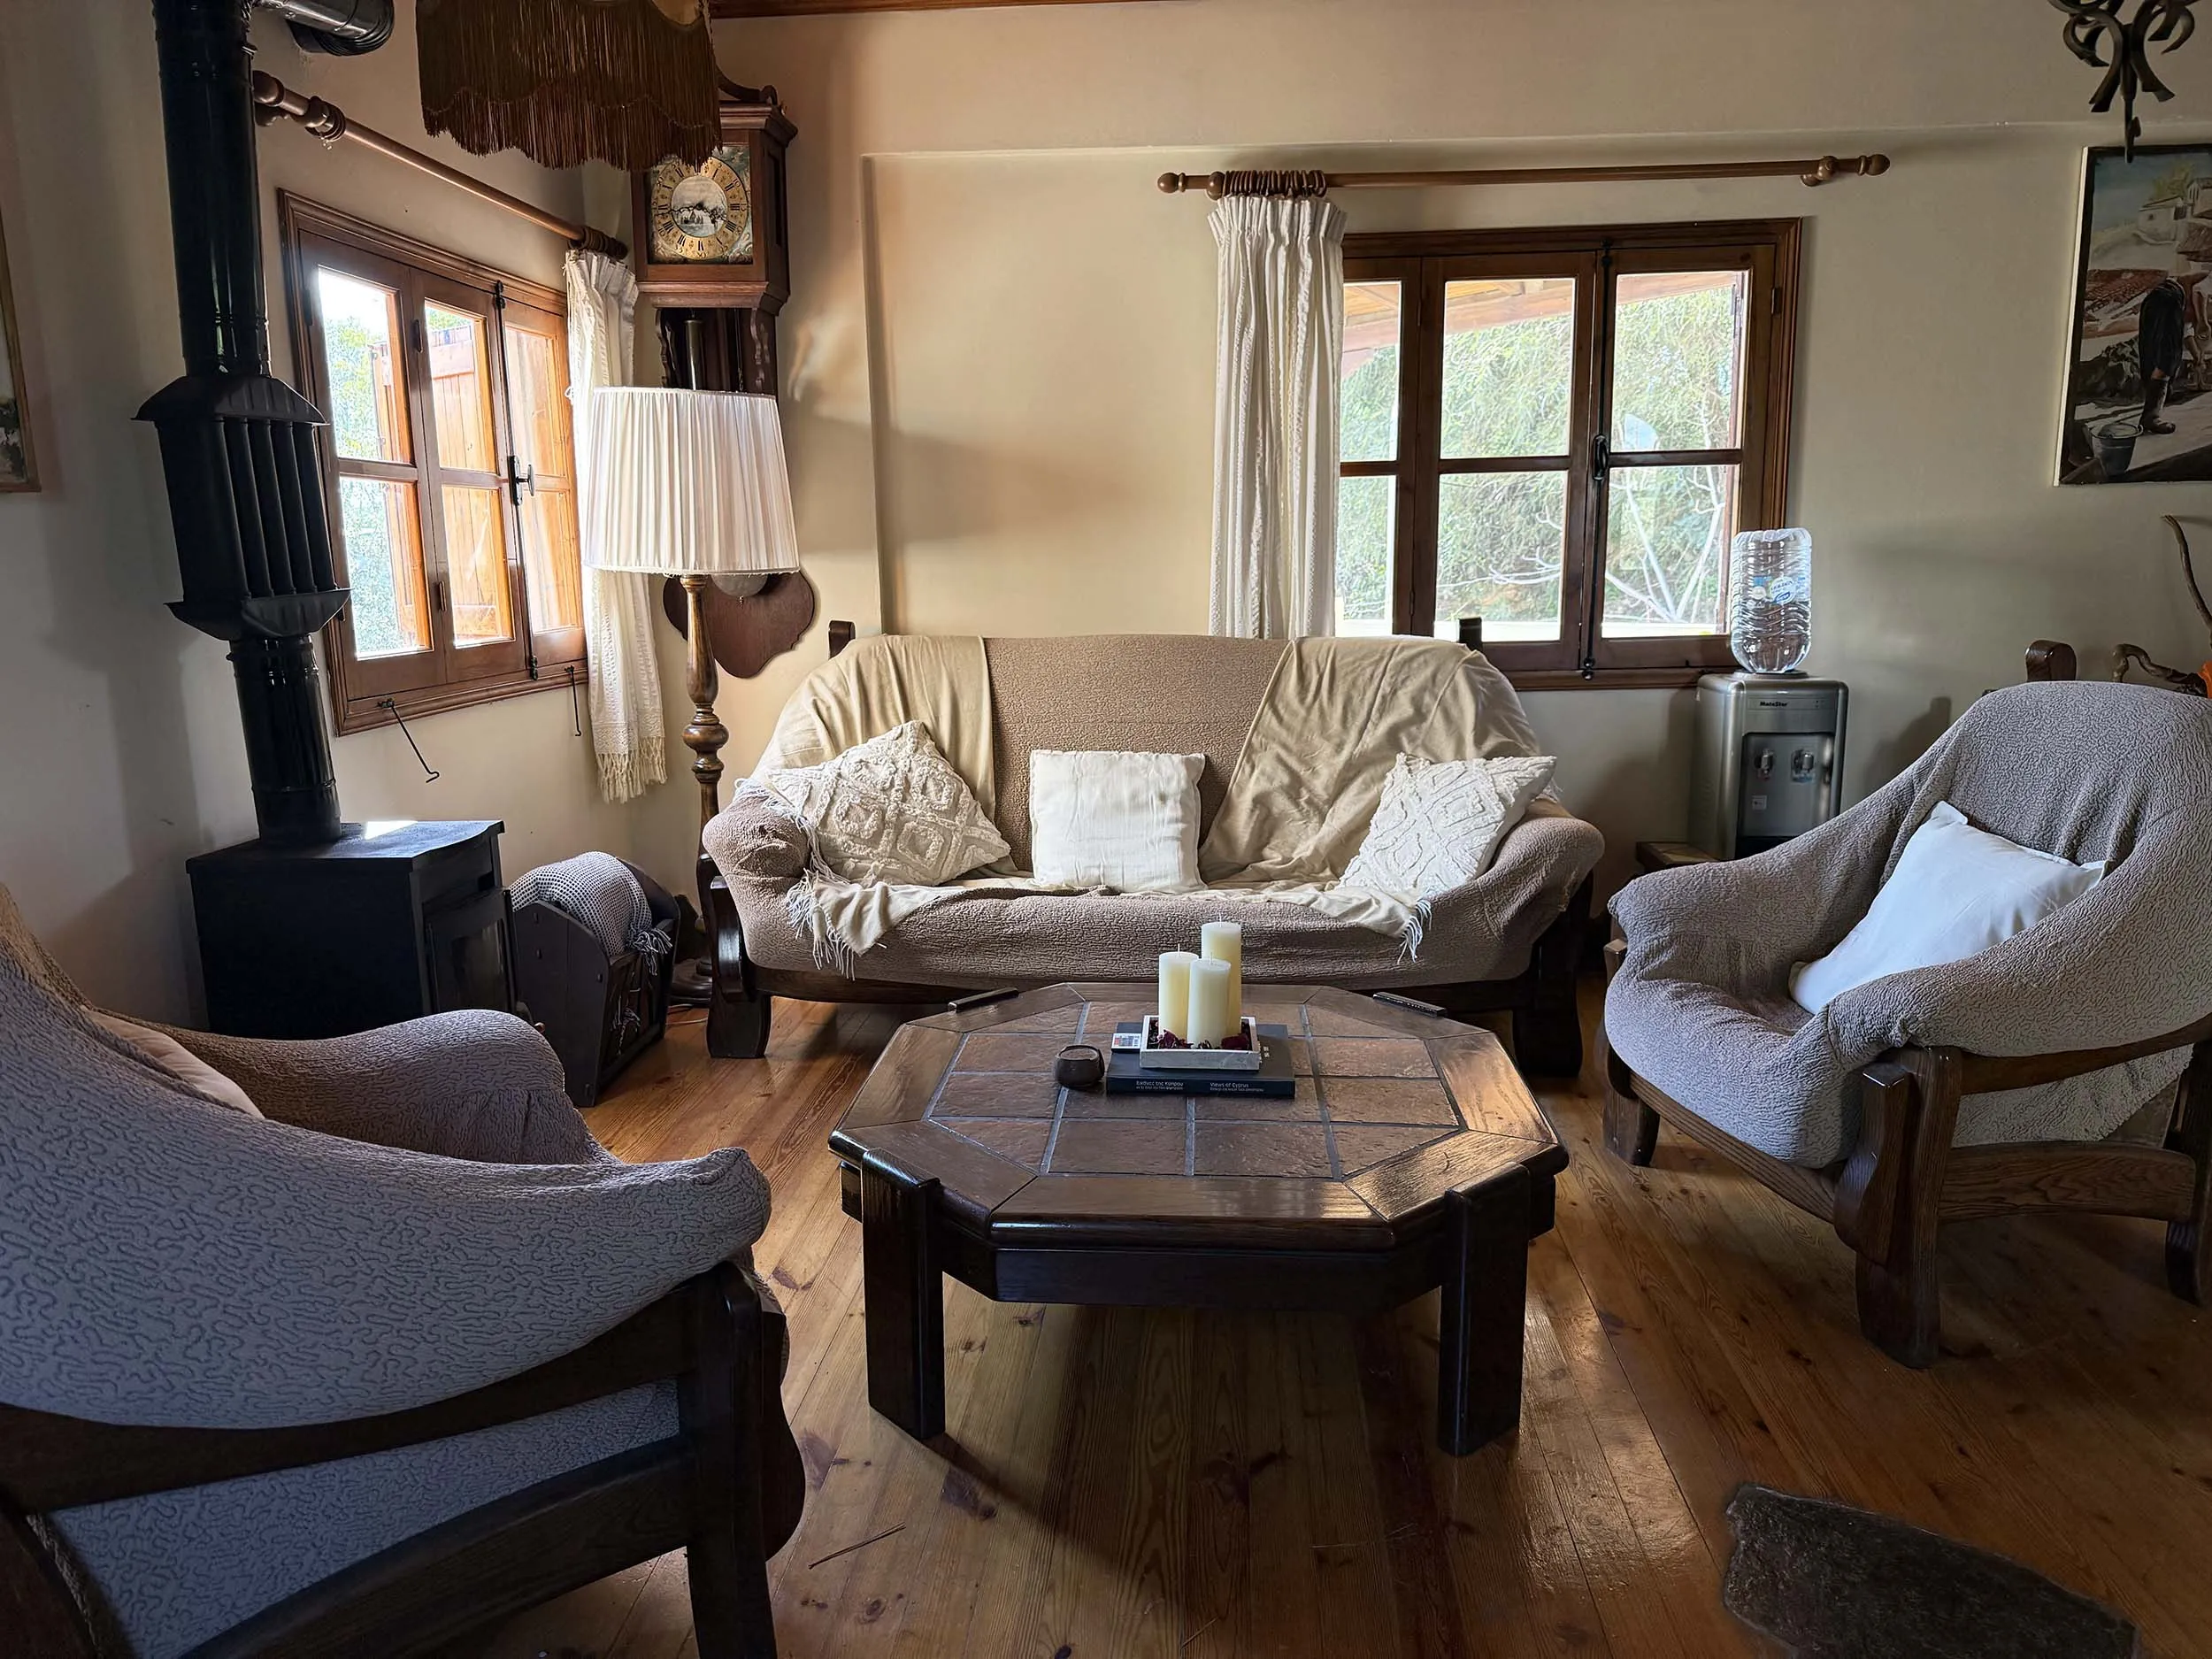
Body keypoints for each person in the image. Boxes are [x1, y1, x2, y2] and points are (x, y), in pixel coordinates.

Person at [2139, 275, 2189, 435]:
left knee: (2152, 350)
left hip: (2158, 296)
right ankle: (2151, 417)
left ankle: (2161, 399)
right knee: (2168, 357)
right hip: (2170, 299)